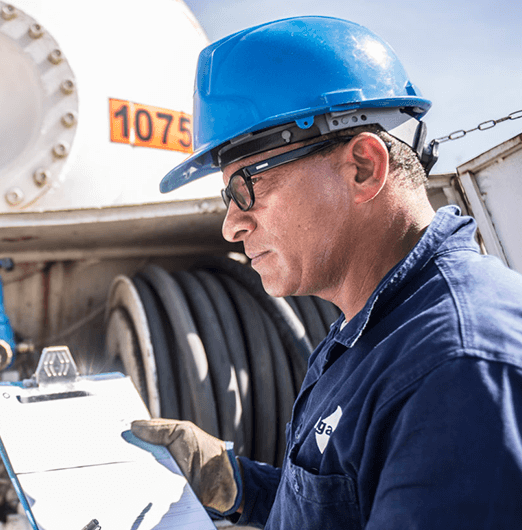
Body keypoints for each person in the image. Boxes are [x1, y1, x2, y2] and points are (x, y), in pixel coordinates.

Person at [131, 16, 522, 529]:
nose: (231, 225)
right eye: (227, 197)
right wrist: (236, 482)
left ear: (362, 167)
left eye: (248, 186)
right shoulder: (369, 328)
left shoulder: (458, 369)